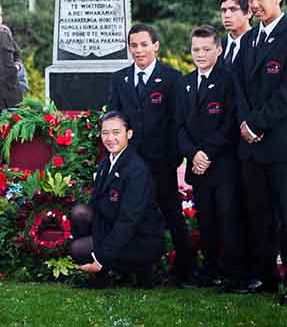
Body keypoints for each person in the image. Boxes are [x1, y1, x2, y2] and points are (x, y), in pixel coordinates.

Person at [233, 0, 287, 305]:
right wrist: (245, 124)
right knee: (260, 215)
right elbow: (237, 88)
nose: (254, 5)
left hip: (283, 144)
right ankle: (265, 277)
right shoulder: (250, 41)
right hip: (251, 145)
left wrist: (257, 123)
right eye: (250, 0)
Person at [108, 23, 196, 287]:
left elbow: (177, 121)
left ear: (156, 46)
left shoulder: (172, 78)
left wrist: (172, 158)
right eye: (133, 45)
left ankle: (186, 270)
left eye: (144, 44)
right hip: (130, 165)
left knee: (172, 215)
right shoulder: (120, 78)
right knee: (127, 214)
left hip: (161, 163)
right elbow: (114, 118)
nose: (138, 50)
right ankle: (125, 268)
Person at [175, 25, 248, 293]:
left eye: (207, 49)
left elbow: (230, 123)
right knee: (206, 220)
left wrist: (207, 152)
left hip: (224, 164)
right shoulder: (184, 83)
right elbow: (179, 126)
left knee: (229, 219)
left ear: (219, 49)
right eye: (196, 49)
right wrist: (193, 154)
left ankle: (234, 274)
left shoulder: (229, 81)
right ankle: (210, 270)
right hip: (198, 166)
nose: (201, 54)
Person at [70, 111, 165, 289]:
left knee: (78, 249)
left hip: (140, 238)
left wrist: (100, 258)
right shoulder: (107, 162)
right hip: (114, 225)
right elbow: (97, 205)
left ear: (129, 134)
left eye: (116, 132)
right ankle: (103, 276)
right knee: (79, 213)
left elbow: (128, 221)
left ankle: (133, 270)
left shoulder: (136, 170)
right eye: (105, 133)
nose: (110, 138)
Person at [219, 0, 252, 68]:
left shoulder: (259, 45)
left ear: (249, 12)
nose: (227, 15)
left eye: (233, 9)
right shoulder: (217, 47)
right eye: (223, 10)